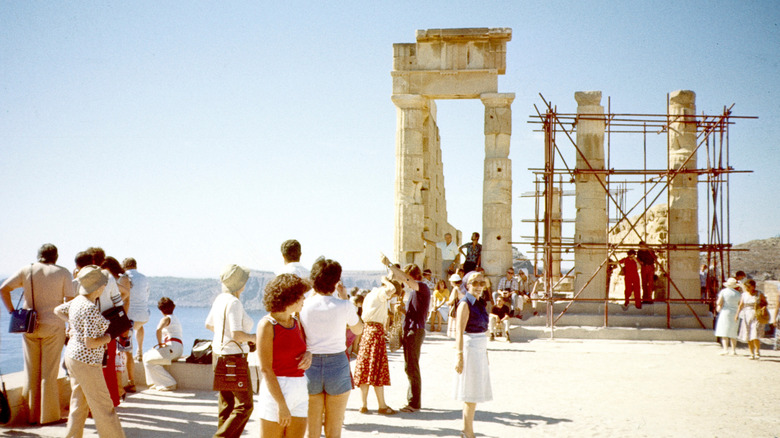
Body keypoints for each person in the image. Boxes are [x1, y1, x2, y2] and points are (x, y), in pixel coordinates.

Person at [0, 243, 75, 425]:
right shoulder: (63, 272)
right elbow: (71, 301)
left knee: (31, 370)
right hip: (54, 325)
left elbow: (3, 289)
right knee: (49, 372)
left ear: (39, 255)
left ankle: (32, 416)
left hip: (29, 325)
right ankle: (48, 417)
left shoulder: (28, 269)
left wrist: (12, 312)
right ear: (55, 256)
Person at [53, 266, 126, 438]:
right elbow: (91, 343)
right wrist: (109, 337)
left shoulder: (78, 301)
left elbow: (57, 310)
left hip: (73, 356)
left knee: (79, 402)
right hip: (87, 361)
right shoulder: (91, 309)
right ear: (99, 287)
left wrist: (74, 327)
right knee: (104, 406)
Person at [299, 258, 363, 438]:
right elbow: (359, 329)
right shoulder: (344, 306)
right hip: (337, 364)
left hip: (310, 365)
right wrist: (344, 297)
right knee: (334, 429)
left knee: (312, 430)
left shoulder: (304, 306)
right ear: (336, 281)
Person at [256, 274, 312, 438]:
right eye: (301, 296)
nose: (303, 299)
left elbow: (303, 348)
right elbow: (266, 369)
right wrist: (281, 404)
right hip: (277, 391)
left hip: (299, 388)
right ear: (290, 297)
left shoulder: (296, 321)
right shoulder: (267, 325)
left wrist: (308, 355)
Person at [205, 264, 256, 437]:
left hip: (218, 355)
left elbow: (209, 324)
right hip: (233, 358)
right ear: (240, 284)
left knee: (227, 406)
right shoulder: (234, 303)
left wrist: (224, 335)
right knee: (245, 406)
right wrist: (254, 338)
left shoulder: (220, 299)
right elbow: (237, 334)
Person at [380, 256, 430, 413]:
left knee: (412, 367)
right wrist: (401, 310)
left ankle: (414, 403)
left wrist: (389, 265)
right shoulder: (416, 292)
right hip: (412, 330)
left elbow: (406, 279)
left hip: (414, 331)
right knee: (410, 367)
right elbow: (414, 313)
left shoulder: (421, 287)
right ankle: (413, 400)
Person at [354, 276, 401, 415]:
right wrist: (386, 280)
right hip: (376, 332)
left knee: (365, 368)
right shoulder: (381, 293)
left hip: (367, 331)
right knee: (378, 369)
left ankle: (363, 404)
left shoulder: (369, 294)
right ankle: (382, 405)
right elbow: (391, 288)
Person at [454, 271, 492, 438]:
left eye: (481, 283)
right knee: (470, 391)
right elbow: (459, 332)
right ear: (467, 285)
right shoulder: (465, 304)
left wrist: (486, 353)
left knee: (474, 390)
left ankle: (466, 429)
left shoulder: (480, 303)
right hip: (470, 348)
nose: (478, 286)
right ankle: (468, 431)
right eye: (474, 283)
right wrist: (459, 356)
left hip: (480, 347)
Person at [86, 247, 123, 405]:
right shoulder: (109, 276)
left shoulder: (83, 277)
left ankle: (92, 403)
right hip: (108, 325)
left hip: (89, 325)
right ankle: (111, 399)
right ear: (102, 260)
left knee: (89, 366)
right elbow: (118, 301)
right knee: (109, 365)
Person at [100, 256, 134, 400]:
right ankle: (119, 390)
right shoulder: (113, 280)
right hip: (117, 322)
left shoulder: (121, 279)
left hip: (120, 322)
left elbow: (125, 301)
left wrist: (122, 323)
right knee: (117, 357)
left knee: (118, 358)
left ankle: (120, 389)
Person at [143, 297, 183, 391]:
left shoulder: (166, 318)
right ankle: (155, 382)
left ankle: (170, 383)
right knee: (146, 356)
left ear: (161, 309)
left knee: (149, 361)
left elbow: (158, 330)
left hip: (172, 347)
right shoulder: (175, 318)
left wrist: (160, 344)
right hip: (177, 348)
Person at [123, 258, 150, 364]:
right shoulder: (144, 278)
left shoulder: (123, 278)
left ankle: (128, 355)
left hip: (130, 316)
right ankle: (140, 351)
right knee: (139, 326)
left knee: (127, 330)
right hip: (144, 315)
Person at [736, 279, 767, 360]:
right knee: (748, 334)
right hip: (746, 315)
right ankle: (751, 353)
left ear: (753, 286)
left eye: (748, 287)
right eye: (746, 287)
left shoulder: (759, 294)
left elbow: (765, 302)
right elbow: (741, 305)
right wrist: (737, 314)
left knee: (755, 333)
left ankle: (757, 351)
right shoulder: (744, 295)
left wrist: (763, 308)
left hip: (756, 315)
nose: (747, 288)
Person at [714, 278, 741, 356]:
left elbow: (719, 302)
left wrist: (718, 307)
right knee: (733, 332)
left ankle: (725, 349)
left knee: (724, 331)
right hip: (735, 312)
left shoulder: (723, 292)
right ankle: (733, 350)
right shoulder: (738, 294)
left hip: (725, 312)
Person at [446, 274, 464, 338]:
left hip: (455, 308)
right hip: (461, 307)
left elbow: (452, 300)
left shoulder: (455, 289)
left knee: (454, 323)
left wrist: (446, 303)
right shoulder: (462, 288)